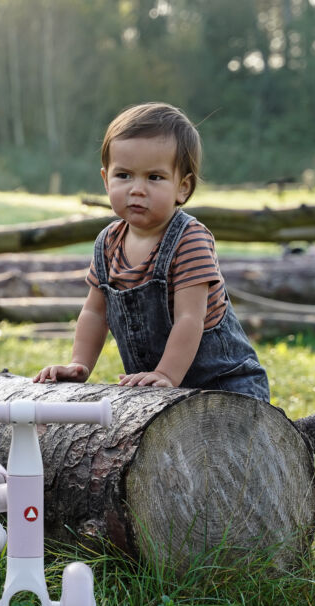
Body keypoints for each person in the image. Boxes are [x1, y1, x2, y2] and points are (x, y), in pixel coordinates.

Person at [34, 102, 269, 401]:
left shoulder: (189, 240)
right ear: (106, 180)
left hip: (225, 388)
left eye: (154, 177)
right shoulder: (107, 244)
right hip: (158, 391)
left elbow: (189, 319)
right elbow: (94, 312)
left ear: (182, 188)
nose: (137, 189)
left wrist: (167, 375)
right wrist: (79, 363)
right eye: (124, 176)